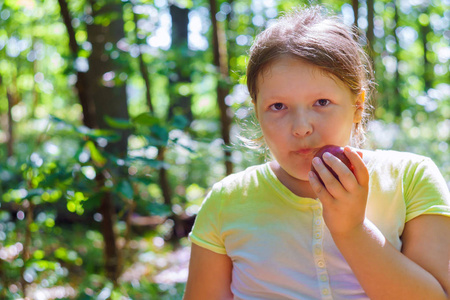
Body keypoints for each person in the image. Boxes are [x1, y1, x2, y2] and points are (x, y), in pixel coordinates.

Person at [183, 5, 450, 300]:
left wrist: (352, 230)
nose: (300, 128)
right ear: (257, 113)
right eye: (278, 107)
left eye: (321, 102)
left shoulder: (411, 179)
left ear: (358, 106)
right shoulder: (226, 202)